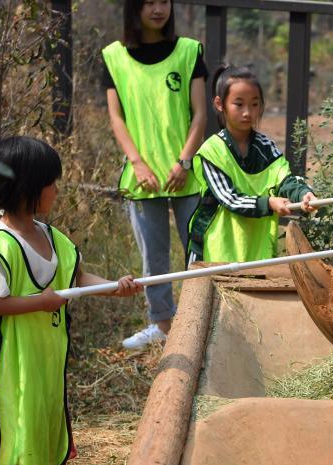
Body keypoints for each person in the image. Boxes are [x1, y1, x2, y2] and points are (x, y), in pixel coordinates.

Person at [0, 136, 142, 465]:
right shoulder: (1, 247)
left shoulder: (47, 235)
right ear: (29, 187)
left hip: (40, 359)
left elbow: (77, 278)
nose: (57, 190)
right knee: (5, 434)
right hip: (5, 364)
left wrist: (115, 288)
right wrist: (41, 302)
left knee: (36, 424)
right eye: (52, 183)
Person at [103, 0, 207, 349]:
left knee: (200, 251)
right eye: (148, 2)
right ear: (134, 8)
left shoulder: (189, 51)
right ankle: (163, 325)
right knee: (154, 258)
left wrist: (185, 162)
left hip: (185, 175)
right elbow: (117, 119)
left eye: (164, 1)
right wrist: (137, 162)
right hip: (141, 179)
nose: (157, 8)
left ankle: (206, 322)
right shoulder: (114, 56)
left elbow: (199, 114)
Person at [187, 65, 318, 264]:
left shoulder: (266, 146)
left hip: (256, 252)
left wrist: (303, 194)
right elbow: (230, 199)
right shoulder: (211, 151)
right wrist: (269, 203)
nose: (248, 112)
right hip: (211, 253)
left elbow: (285, 179)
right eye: (239, 104)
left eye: (255, 104)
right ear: (220, 104)